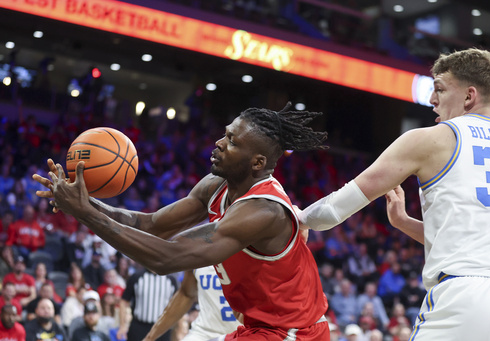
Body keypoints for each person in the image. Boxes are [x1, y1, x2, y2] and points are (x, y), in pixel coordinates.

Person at [35, 103, 330, 339]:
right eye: (225, 134)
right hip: (260, 328)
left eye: (232, 141)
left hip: (295, 333)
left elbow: (166, 257)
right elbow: (150, 225)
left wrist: (85, 212)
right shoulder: (216, 185)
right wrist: (82, 204)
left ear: (257, 163)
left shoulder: (263, 211)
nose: (219, 143)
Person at [296, 48, 490, 340]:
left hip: (461, 298)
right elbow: (468, 238)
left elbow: (338, 206)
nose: (432, 99)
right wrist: (403, 222)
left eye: (439, 90)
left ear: (469, 96)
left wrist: (300, 219)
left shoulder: (432, 138)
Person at [142, 266, 242, 341]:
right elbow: (186, 294)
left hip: (244, 333)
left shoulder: (252, 247)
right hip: (204, 333)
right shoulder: (198, 252)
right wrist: (150, 337)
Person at [117, 265, 178, 341]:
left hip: (162, 328)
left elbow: (178, 305)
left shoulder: (171, 280)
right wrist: (123, 325)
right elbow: (124, 301)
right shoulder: (136, 277)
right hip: (139, 326)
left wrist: (180, 327)